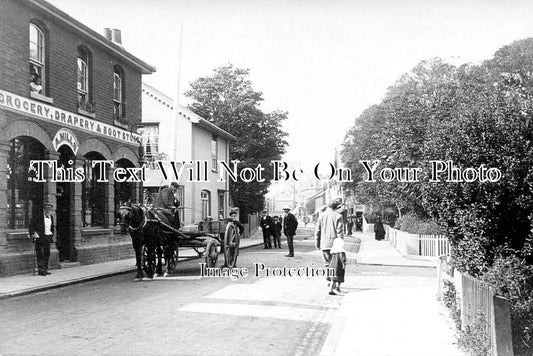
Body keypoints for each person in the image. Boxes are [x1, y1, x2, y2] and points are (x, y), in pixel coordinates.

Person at [315, 199, 344, 268]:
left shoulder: (321, 216)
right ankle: (333, 277)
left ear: (328, 206)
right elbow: (339, 232)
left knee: (327, 262)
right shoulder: (338, 216)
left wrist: (317, 244)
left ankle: (329, 275)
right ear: (336, 207)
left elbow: (317, 231)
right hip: (335, 244)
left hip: (324, 243)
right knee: (334, 262)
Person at [29, 203, 55, 276]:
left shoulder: (51, 217)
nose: (48, 210)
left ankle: (45, 269)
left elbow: (52, 226)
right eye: (46, 209)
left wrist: (52, 234)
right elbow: (31, 226)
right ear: (44, 209)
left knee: (47, 253)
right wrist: (33, 234)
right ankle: (41, 270)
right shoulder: (38, 217)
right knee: (40, 254)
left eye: (49, 209)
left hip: (48, 237)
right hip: (40, 237)